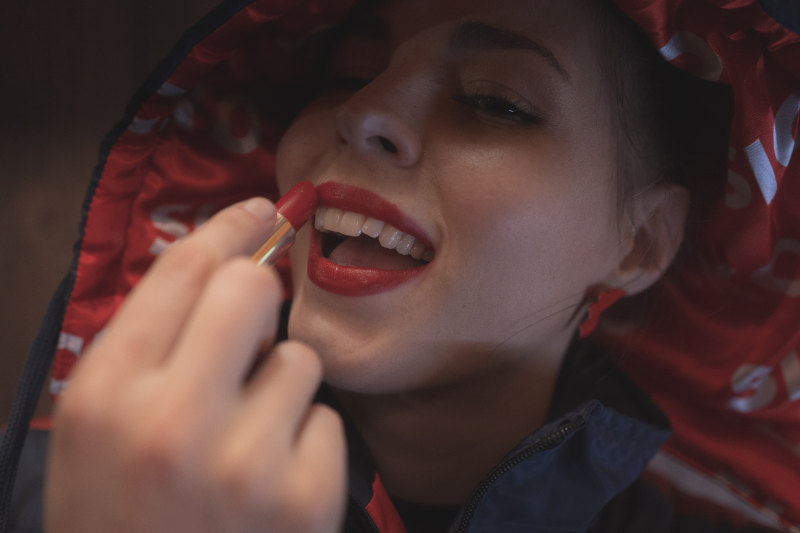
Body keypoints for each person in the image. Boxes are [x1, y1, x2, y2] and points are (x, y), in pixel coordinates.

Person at [1, 0, 797, 532]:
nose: (363, 112)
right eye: (347, 73)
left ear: (640, 244)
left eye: (493, 100)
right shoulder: (68, 491)